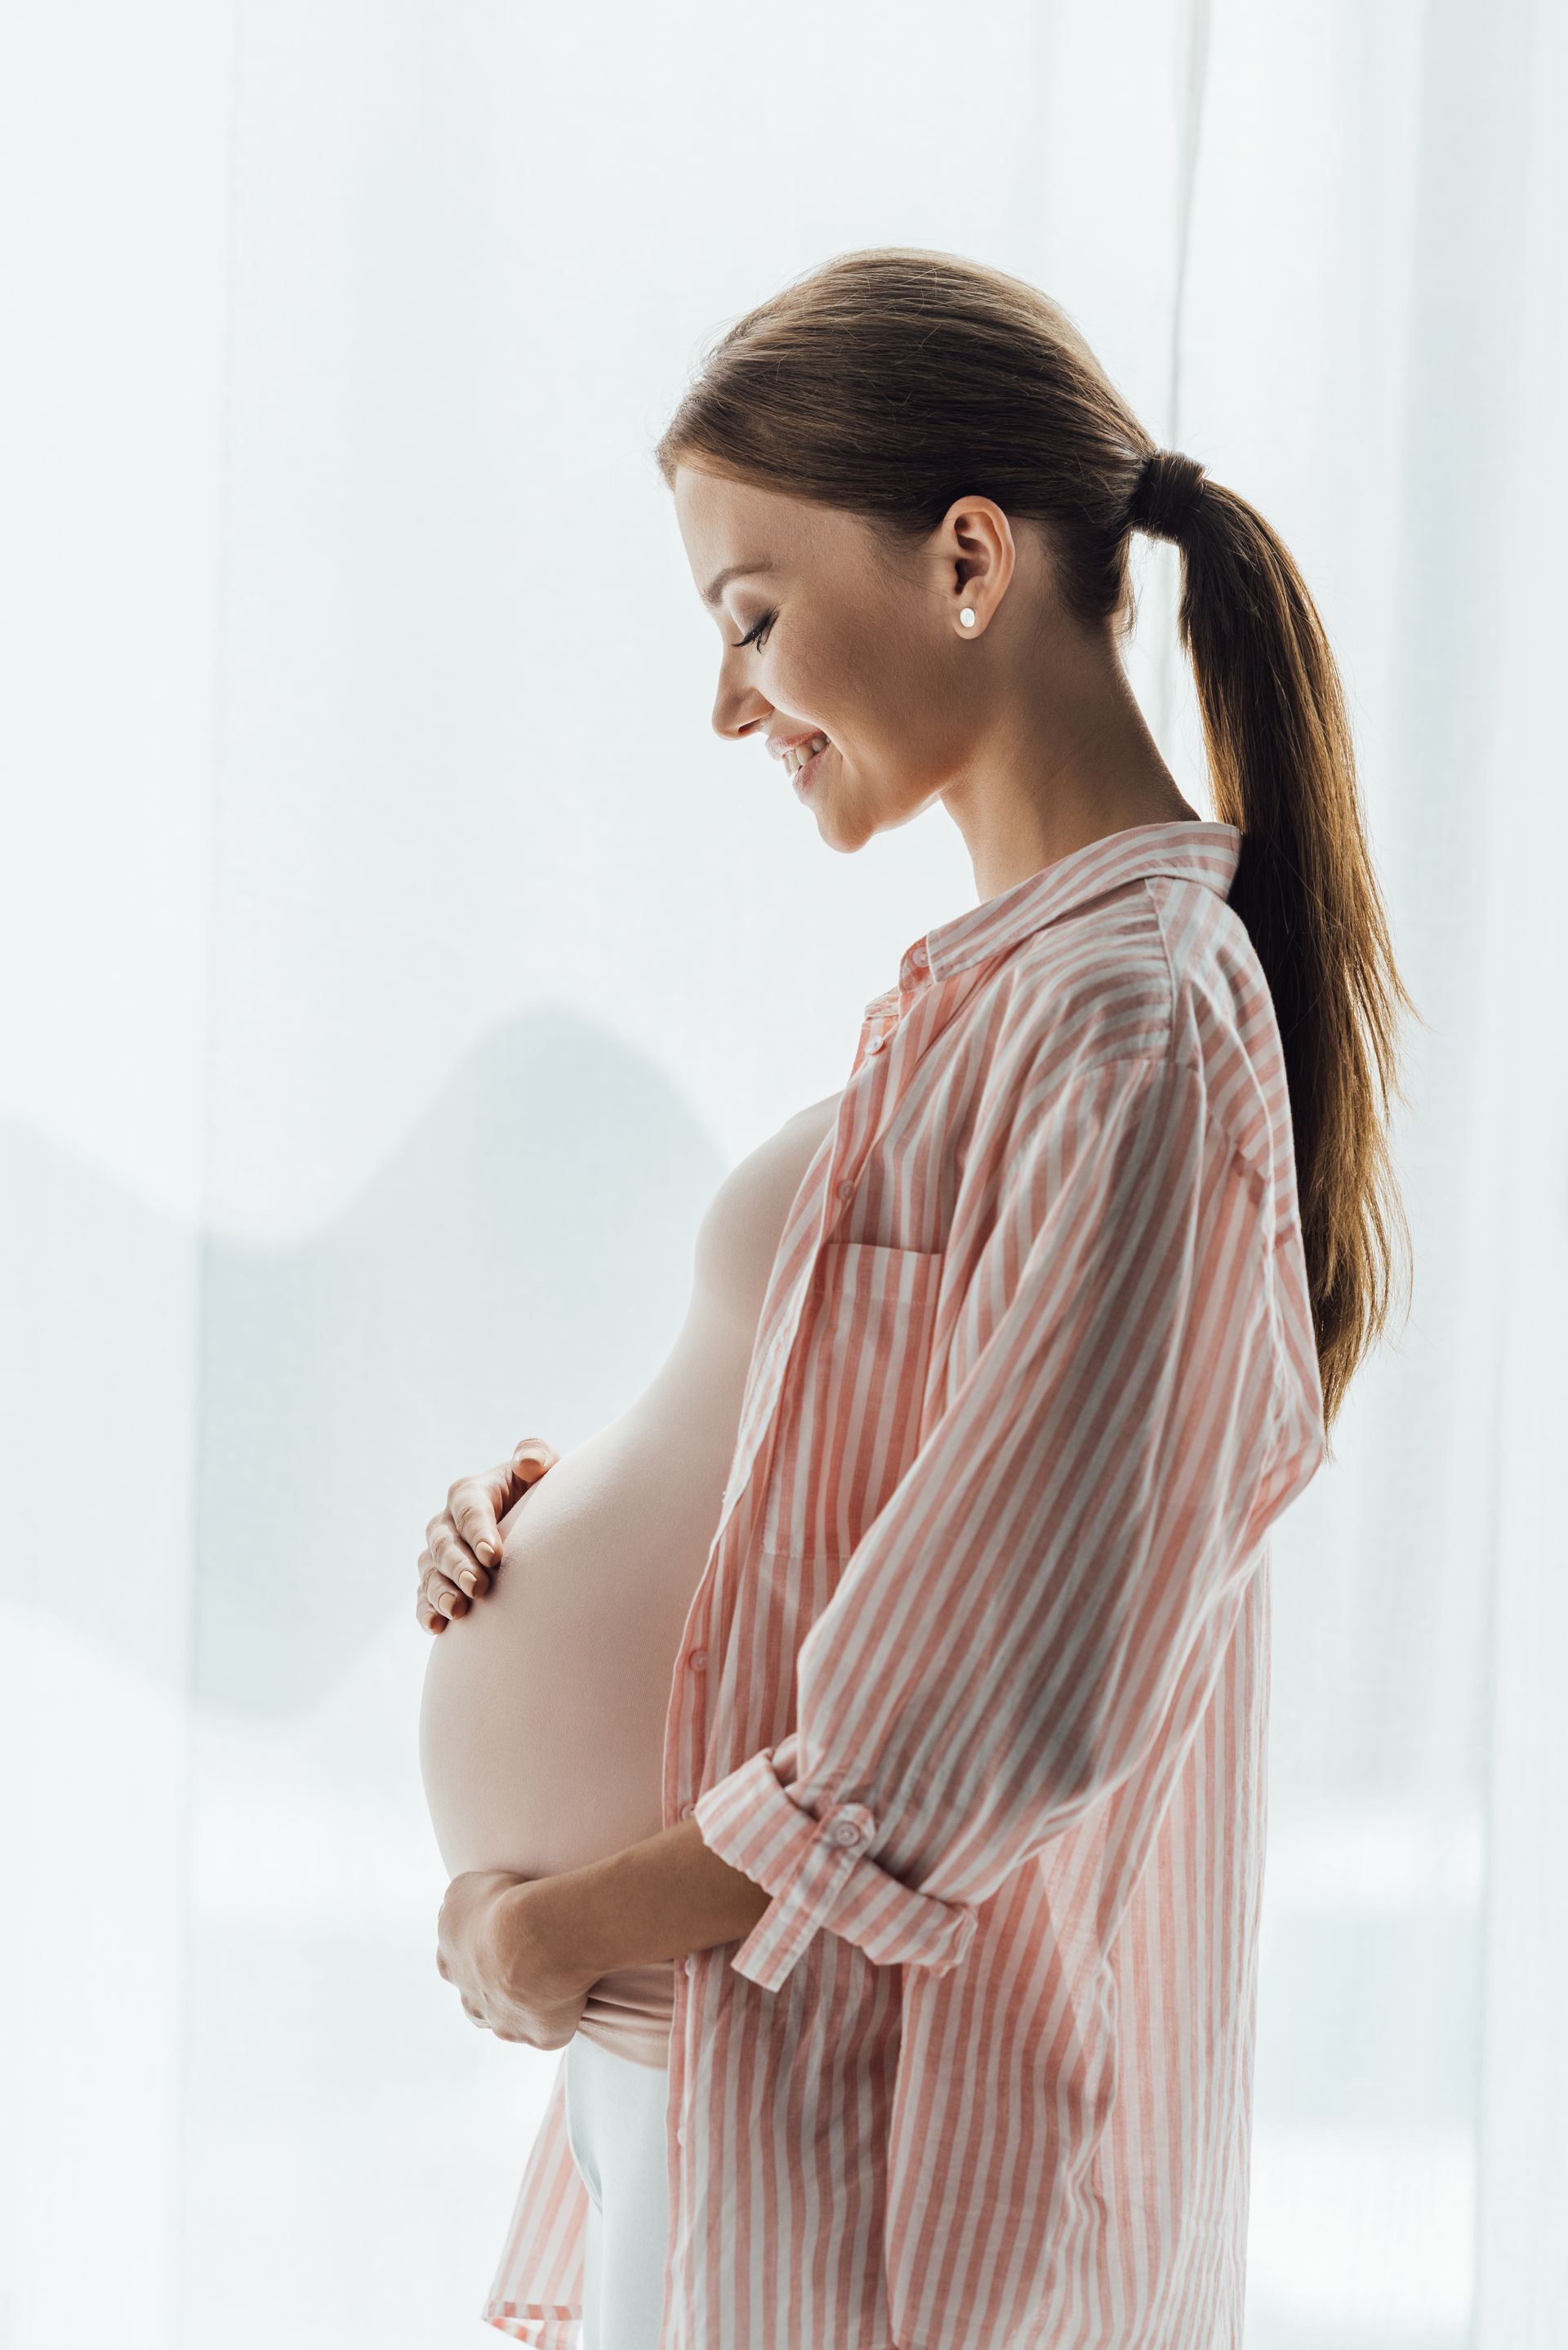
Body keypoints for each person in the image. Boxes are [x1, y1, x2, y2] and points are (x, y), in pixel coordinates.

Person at [425, 246, 1413, 2350]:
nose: (727, 703)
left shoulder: (1134, 1027)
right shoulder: (1012, 1002)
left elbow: (992, 1693)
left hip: (883, 2166)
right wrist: (567, 1512)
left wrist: (553, 1922)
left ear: (970, 557)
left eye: (752, 618)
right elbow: (885, 1506)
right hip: (727, 2088)